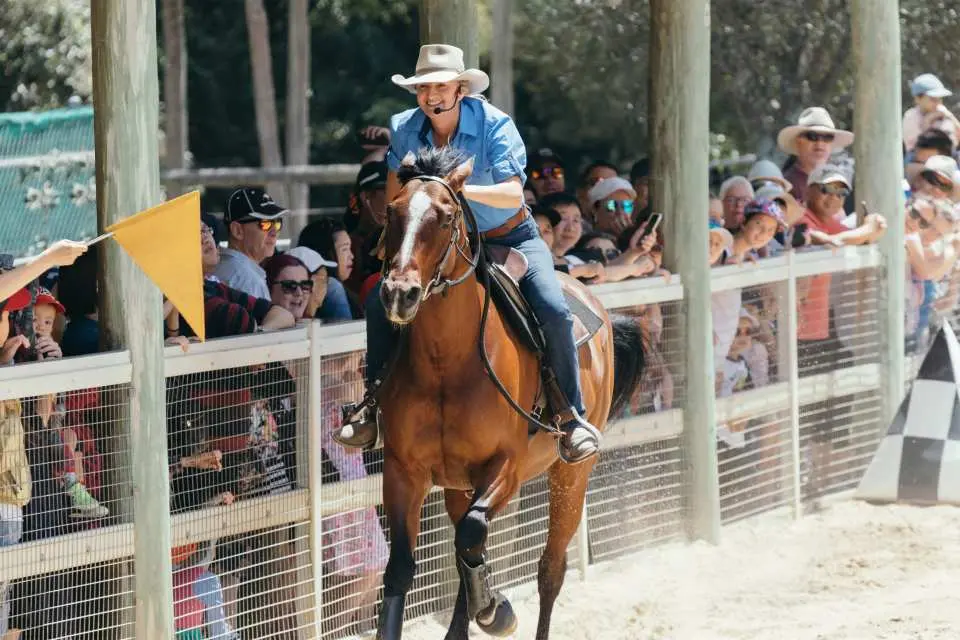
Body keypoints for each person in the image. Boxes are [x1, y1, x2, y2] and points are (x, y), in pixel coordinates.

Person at [334, 44, 601, 463]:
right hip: (439, 244)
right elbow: (395, 190)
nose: (430, 95)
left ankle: (571, 416)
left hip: (509, 236)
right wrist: (400, 233)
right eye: (423, 88)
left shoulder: (496, 125)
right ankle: (373, 406)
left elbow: (513, 193)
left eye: (440, 86)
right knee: (376, 304)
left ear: (460, 88)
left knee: (552, 307)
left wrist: (452, 191)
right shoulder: (404, 127)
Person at [213, 187, 287, 299]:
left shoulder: (217, 266)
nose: (274, 232)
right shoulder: (249, 281)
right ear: (237, 231)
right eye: (265, 223)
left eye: (277, 223)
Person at [777, 107, 854, 203]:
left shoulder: (838, 181)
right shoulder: (788, 186)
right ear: (798, 141)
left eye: (827, 137)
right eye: (812, 136)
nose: (820, 143)